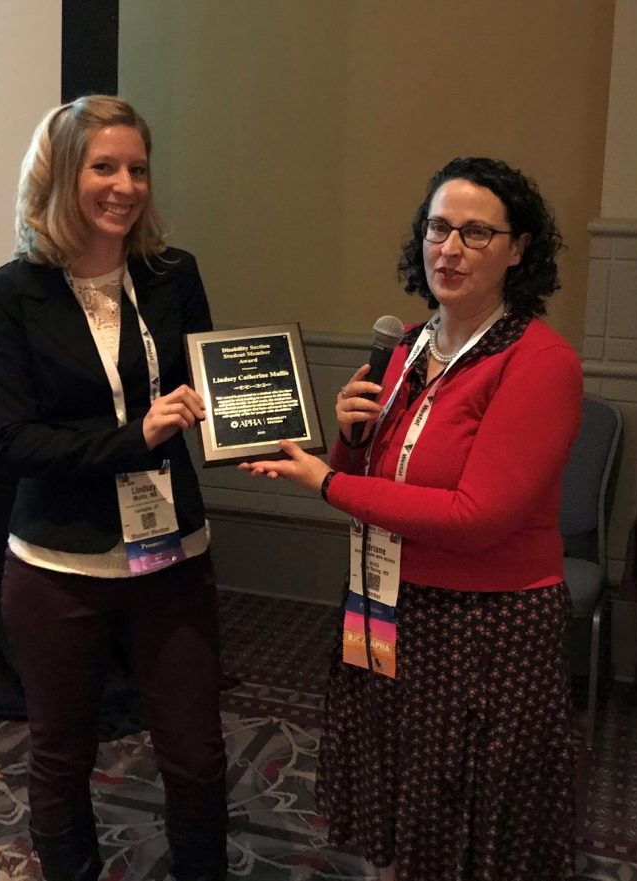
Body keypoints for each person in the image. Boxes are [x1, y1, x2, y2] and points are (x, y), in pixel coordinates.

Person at [240, 156, 582, 880]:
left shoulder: (538, 360)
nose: (449, 249)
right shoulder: (406, 347)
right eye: (438, 228)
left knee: (467, 813)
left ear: (519, 248)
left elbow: (475, 517)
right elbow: (377, 477)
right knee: (399, 791)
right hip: (389, 601)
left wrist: (327, 482)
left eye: (476, 233)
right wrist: (349, 434)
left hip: (485, 626)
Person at [0, 96, 227, 881]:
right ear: (60, 177)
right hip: (59, 564)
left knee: (195, 754)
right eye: (104, 167)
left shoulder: (173, 273)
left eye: (138, 168)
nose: (125, 185)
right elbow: (12, 439)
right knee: (60, 755)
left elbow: (204, 384)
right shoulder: (8, 293)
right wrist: (137, 437)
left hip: (173, 555)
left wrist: (243, 416)